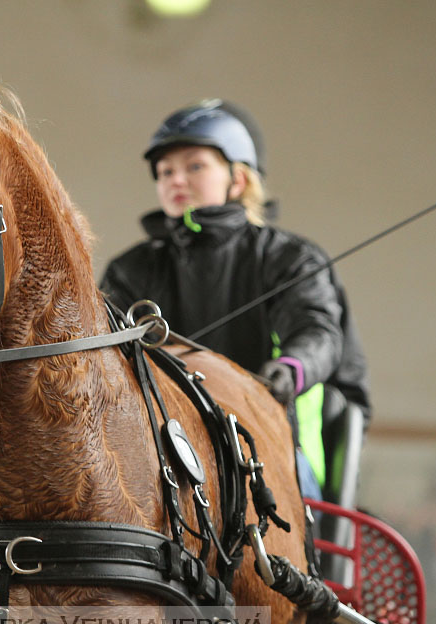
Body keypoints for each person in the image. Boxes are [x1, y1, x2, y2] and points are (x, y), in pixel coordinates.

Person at [100, 99, 370, 502]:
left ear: (238, 180)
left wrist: (288, 371)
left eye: (194, 166)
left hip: (274, 446)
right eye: (165, 171)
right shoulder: (131, 269)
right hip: (159, 449)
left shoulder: (290, 258)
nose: (176, 179)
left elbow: (318, 332)